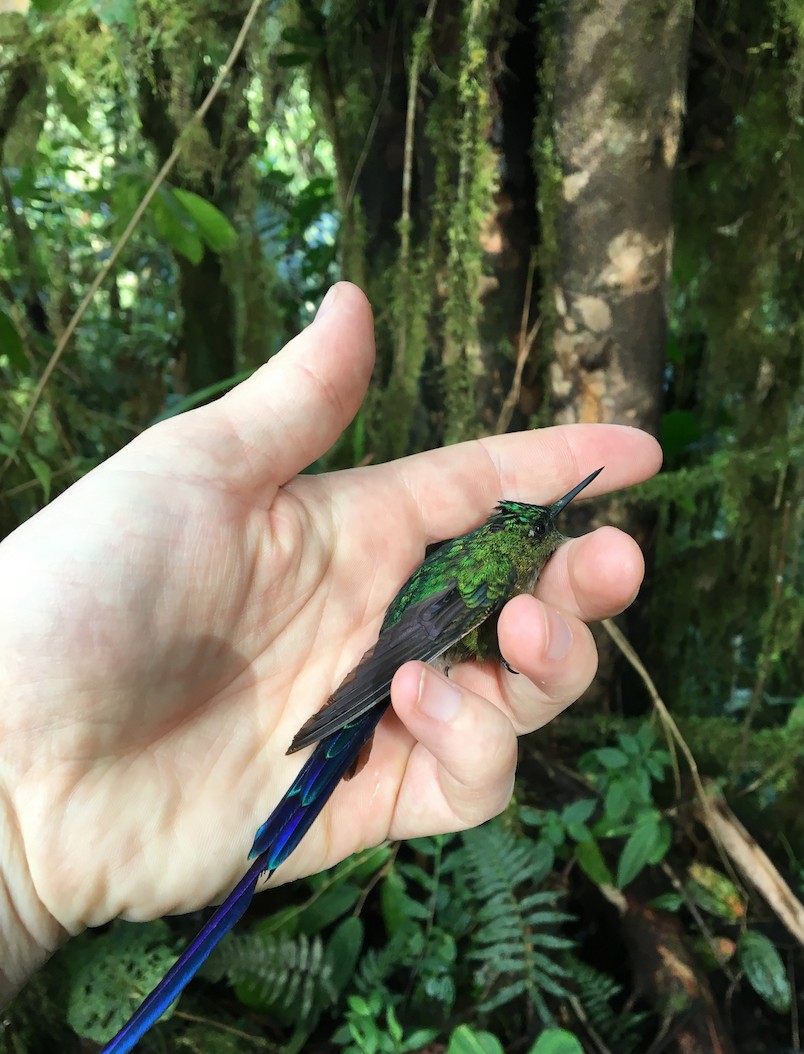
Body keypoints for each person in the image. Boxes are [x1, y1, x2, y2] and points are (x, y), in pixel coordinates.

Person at [0, 283, 661, 1001]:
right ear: (521, 544)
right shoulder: (499, 565)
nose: (547, 533)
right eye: (541, 528)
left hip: (406, 643)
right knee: (360, 730)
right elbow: (437, 630)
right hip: (412, 644)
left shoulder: (498, 557)